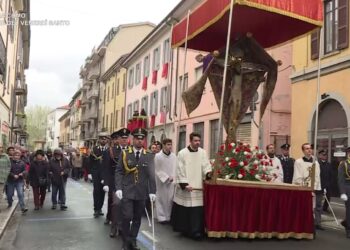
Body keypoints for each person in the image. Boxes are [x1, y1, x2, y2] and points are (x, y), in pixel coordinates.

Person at [116, 128, 156, 250]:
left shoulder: (149, 155)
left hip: (141, 192)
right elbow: (119, 171)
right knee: (127, 216)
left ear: (144, 140)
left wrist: (152, 191)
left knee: (137, 218)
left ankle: (133, 240)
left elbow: (151, 175)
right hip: (127, 191)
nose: (139, 141)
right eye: (137, 138)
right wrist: (119, 188)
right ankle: (125, 240)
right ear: (132, 139)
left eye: (141, 139)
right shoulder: (125, 153)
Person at [171, 132, 212, 240]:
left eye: (199, 140)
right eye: (195, 141)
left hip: (198, 185)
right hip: (187, 185)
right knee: (186, 209)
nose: (198, 142)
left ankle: (196, 231)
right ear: (190, 141)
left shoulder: (203, 152)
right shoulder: (182, 153)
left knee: (197, 210)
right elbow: (180, 169)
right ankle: (185, 229)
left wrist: (208, 174)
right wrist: (184, 184)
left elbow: (206, 166)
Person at [293, 143, 322, 230]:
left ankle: (309, 228)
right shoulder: (298, 162)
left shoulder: (315, 162)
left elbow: (317, 176)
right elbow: (297, 177)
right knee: (301, 209)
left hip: (312, 190)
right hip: (303, 189)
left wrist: (315, 188)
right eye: (306, 149)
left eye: (310, 148)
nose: (309, 150)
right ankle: (299, 227)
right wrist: (304, 187)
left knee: (312, 209)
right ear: (303, 151)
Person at [110, 128, 131, 238]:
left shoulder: (132, 151)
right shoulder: (113, 150)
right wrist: (107, 183)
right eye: (122, 138)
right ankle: (114, 227)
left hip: (129, 185)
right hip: (116, 183)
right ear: (118, 139)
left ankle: (123, 227)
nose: (124, 140)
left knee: (126, 207)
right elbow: (108, 168)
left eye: (126, 138)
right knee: (117, 205)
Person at [88, 132, 111, 217]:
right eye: (102, 139)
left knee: (103, 192)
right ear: (99, 140)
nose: (103, 140)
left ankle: (100, 208)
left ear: (107, 140)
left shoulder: (109, 150)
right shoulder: (94, 149)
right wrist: (89, 173)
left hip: (105, 174)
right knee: (96, 191)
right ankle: (96, 209)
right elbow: (90, 162)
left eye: (105, 139)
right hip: (96, 173)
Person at [155, 138, 176, 223]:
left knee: (170, 199)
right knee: (161, 198)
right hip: (161, 181)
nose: (170, 146)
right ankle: (161, 217)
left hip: (172, 180)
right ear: (163, 145)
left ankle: (169, 217)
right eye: (168, 144)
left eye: (171, 144)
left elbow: (175, 167)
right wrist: (166, 177)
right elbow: (157, 169)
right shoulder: (158, 156)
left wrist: (173, 177)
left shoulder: (174, 156)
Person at [103, 130, 120, 227]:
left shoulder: (124, 150)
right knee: (111, 200)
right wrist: (106, 182)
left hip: (121, 178)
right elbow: (106, 167)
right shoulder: (108, 151)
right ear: (113, 140)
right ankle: (109, 216)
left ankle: (118, 220)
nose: (117, 140)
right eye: (115, 139)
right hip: (112, 178)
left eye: (118, 138)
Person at [338, 147, 350, 238]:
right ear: (347, 154)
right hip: (348, 187)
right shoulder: (343, 164)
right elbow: (341, 179)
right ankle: (348, 229)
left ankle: (345, 222)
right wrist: (342, 192)